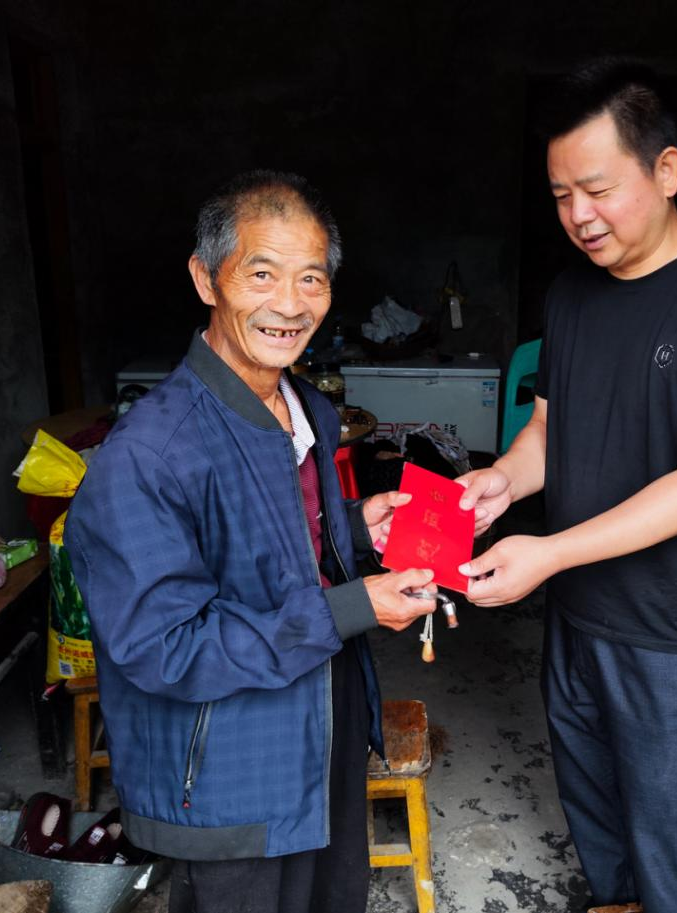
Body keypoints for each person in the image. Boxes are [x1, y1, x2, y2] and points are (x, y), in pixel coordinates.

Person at [456, 60, 677, 913]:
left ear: (666, 169)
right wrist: (501, 481)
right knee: (599, 828)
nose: (578, 215)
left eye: (598, 189)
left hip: (666, 630)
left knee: (672, 853)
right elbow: (547, 432)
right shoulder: (571, 293)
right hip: (575, 610)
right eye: (560, 195)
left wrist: (546, 552)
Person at [65, 169, 436, 913]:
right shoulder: (148, 454)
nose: (290, 305)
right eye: (261, 274)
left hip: (324, 722)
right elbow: (165, 647)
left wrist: (355, 527)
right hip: (230, 766)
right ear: (206, 278)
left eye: (311, 279)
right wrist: (352, 606)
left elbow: (274, 539)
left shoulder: (307, 410)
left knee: (333, 899)